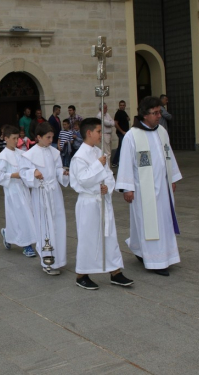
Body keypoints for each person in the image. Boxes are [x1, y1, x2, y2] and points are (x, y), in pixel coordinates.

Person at [116, 96, 182, 276]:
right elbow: (126, 163)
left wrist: (172, 178)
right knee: (149, 223)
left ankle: (139, 249)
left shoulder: (162, 131)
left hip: (163, 186)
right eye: (155, 113)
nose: (159, 116)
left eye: (159, 112)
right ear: (145, 115)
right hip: (143, 189)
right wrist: (127, 188)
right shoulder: (132, 135)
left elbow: (168, 154)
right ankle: (157, 261)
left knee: (161, 221)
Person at [70, 118, 134, 290]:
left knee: (109, 236)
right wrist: (98, 166)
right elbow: (82, 180)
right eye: (99, 131)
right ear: (89, 133)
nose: (101, 134)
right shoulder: (79, 157)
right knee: (88, 238)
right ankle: (82, 274)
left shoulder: (98, 152)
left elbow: (108, 174)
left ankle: (115, 272)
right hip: (89, 202)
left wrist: (107, 186)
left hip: (102, 201)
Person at [19, 122, 69, 275]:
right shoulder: (29, 154)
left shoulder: (54, 152)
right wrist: (33, 172)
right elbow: (23, 171)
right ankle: (48, 261)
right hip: (41, 192)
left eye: (52, 137)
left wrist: (63, 173)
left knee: (58, 224)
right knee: (45, 226)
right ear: (38, 137)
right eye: (48, 137)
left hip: (54, 192)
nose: (50, 140)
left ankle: (58, 259)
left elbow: (58, 169)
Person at [0, 125, 37, 257]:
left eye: (17, 138)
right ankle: (27, 245)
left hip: (23, 189)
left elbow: (28, 168)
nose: (16, 141)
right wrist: (13, 175)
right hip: (12, 190)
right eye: (13, 138)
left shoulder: (21, 153)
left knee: (26, 215)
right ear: (6, 139)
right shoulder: (2, 157)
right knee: (21, 216)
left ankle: (8, 234)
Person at [111, 100, 130, 168]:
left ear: (125, 106)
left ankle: (116, 161)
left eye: (123, 105)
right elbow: (116, 123)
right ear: (119, 106)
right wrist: (122, 132)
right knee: (122, 148)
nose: (122, 106)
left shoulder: (123, 112)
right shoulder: (118, 113)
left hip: (125, 133)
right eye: (120, 105)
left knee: (120, 147)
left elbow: (128, 118)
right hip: (121, 133)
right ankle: (115, 162)